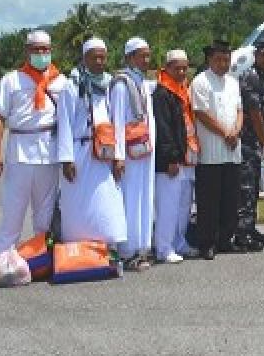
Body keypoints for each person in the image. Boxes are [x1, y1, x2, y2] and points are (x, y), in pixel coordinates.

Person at [0, 31, 70, 255]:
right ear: (26, 51)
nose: (41, 53)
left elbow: (69, 121)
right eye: (36, 49)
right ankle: (3, 259)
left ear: (51, 51)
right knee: (13, 210)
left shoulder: (61, 81)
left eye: (45, 49)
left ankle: (40, 259)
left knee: (44, 213)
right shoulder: (11, 80)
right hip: (19, 151)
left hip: (49, 150)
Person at [56, 37, 127, 252]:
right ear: (84, 58)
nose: (99, 61)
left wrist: (119, 156)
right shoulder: (71, 86)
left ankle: (107, 248)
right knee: (78, 201)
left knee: (107, 200)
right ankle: (77, 251)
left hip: (104, 152)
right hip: (80, 151)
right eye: (95, 57)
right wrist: (67, 159)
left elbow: (117, 122)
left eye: (103, 57)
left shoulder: (110, 85)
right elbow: (65, 123)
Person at [190, 40, 243, 260]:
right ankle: (207, 243)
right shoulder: (200, 82)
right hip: (211, 151)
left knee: (230, 199)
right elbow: (201, 113)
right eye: (219, 59)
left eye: (226, 59)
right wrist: (225, 133)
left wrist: (236, 131)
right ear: (209, 60)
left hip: (232, 149)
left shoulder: (233, 82)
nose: (223, 64)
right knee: (209, 200)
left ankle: (225, 240)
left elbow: (240, 110)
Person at [110, 36, 157, 271]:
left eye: (148, 55)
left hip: (145, 150)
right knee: (130, 199)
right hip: (128, 153)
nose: (146, 60)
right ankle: (127, 251)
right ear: (129, 58)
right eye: (142, 55)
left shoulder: (143, 82)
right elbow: (117, 121)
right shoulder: (121, 84)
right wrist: (118, 156)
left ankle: (142, 247)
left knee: (144, 198)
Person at [151, 49, 200, 263]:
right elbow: (163, 129)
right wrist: (170, 158)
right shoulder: (162, 93)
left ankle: (179, 242)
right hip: (170, 161)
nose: (181, 72)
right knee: (168, 206)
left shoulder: (184, 90)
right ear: (167, 68)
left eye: (184, 67)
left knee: (184, 205)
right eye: (177, 68)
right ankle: (163, 247)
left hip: (187, 156)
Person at [236, 39, 264, 252]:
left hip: (255, 141)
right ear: (256, 55)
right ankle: (242, 233)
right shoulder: (251, 77)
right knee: (246, 189)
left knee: (253, 186)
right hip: (247, 141)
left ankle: (249, 228)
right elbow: (254, 113)